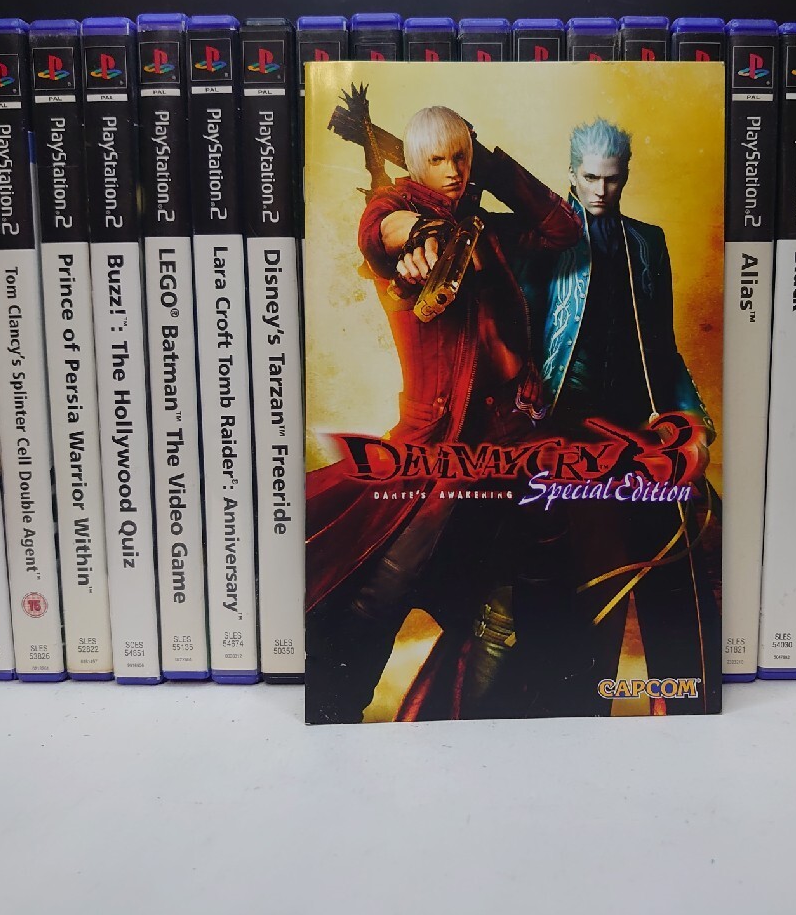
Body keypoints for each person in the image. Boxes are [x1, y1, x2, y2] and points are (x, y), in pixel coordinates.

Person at [305, 105, 582, 724]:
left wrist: (490, 168)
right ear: (413, 163)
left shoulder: (488, 232)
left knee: (519, 592)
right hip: (437, 446)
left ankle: (481, 721)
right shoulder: (395, 209)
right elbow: (385, 230)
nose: (454, 171)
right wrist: (421, 238)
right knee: (385, 589)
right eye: (438, 159)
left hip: (514, 441)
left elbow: (563, 230)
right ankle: (335, 711)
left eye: (462, 158)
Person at [512, 117, 722, 715]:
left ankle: (681, 704)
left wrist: (694, 423)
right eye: (589, 178)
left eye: (611, 178)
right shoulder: (544, 240)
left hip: (641, 425)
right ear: (571, 174)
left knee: (682, 544)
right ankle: (578, 710)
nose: (600, 190)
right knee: (588, 575)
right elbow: (522, 334)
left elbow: (666, 350)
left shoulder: (648, 244)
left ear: (626, 175)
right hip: (566, 428)